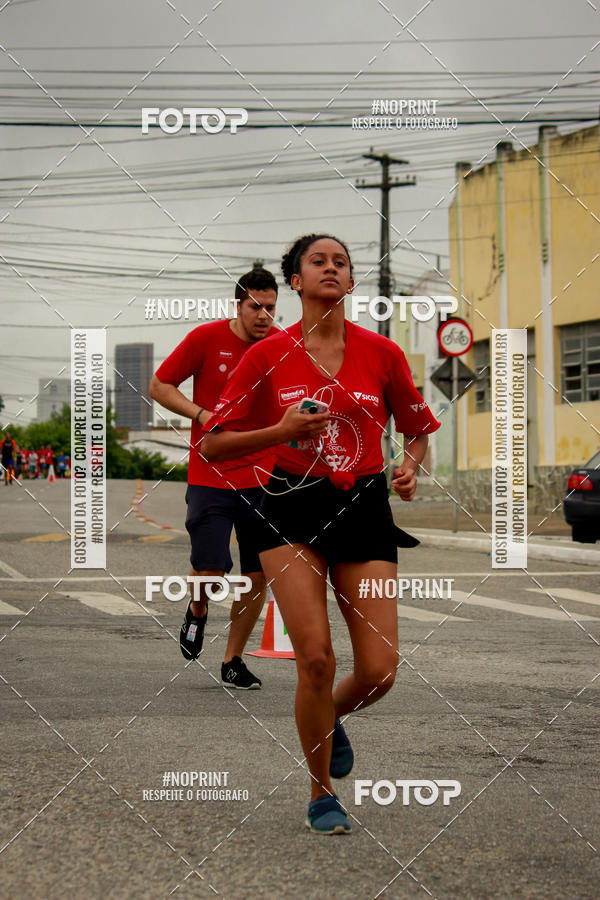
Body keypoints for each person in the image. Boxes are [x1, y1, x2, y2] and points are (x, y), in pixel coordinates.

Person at [202, 235, 441, 834]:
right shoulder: (267, 356)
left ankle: (325, 718)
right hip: (289, 507)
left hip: (363, 508)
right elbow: (213, 444)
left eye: (341, 262)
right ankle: (320, 792)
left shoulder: (383, 353)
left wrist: (411, 466)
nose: (331, 268)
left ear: (351, 282)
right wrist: (279, 431)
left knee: (380, 671)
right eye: (318, 261)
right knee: (315, 659)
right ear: (296, 281)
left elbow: (417, 429)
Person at [149, 267, 279, 689]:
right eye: (255, 307)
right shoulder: (205, 339)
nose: (264, 316)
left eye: (271, 308)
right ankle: (198, 610)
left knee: (256, 574)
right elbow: (160, 385)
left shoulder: (282, 347)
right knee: (210, 570)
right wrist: (201, 414)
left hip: (264, 479)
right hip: (210, 475)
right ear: (238, 306)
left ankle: (233, 660)